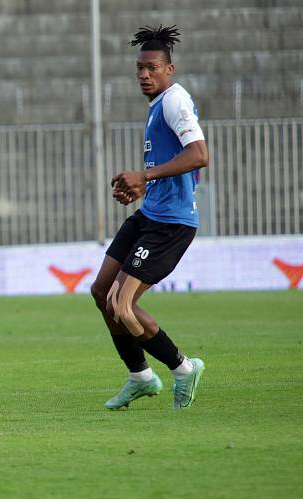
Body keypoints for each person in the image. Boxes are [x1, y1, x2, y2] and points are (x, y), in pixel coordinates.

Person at [90, 25, 209, 410]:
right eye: (140, 68)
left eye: (152, 67)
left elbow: (199, 155)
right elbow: (173, 164)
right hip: (150, 215)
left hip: (171, 225)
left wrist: (145, 176)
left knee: (120, 305)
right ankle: (140, 377)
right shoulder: (158, 104)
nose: (144, 74)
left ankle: (182, 368)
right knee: (100, 291)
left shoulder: (175, 101)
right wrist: (141, 186)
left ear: (169, 69)